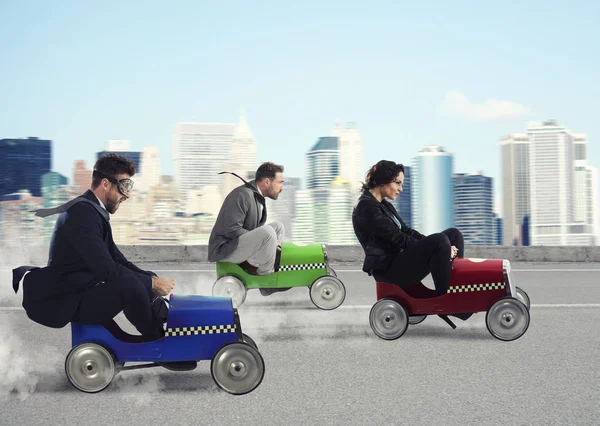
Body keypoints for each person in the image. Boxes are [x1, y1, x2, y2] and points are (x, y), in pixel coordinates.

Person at [12, 154, 176, 343]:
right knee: (132, 286)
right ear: (105, 184)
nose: (127, 195)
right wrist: (152, 285)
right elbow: (106, 269)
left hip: (84, 288)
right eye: (123, 186)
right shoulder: (82, 213)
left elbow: (118, 260)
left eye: (129, 187)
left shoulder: (92, 211)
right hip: (69, 298)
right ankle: (157, 343)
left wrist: (151, 279)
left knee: (144, 277)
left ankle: (165, 325)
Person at [352, 160, 470, 319]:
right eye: (397, 183)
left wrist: (441, 246)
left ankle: (454, 290)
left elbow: (406, 231)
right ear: (383, 180)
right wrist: (439, 246)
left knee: (453, 235)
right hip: (389, 270)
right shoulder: (366, 207)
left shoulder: (383, 205)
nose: (400, 188)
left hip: (400, 261)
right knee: (441, 241)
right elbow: (398, 238)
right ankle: (446, 302)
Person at [208, 162, 285, 281]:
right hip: (225, 249)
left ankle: (273, 261)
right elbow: (231, 231)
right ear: (267, 182)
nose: (282, 188)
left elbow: (254, 231)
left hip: (240, 246)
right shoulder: (242, 195)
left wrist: (265, 242)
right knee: (268, 232)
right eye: (279, 182)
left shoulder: (257, 198)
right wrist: (260, 240)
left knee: (278, 227)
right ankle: (265, 277)